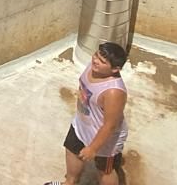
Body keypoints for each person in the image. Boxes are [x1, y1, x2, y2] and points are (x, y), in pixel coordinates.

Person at [52, 41, 129, 185]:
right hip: (81, 124)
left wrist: (93, 148)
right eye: (96, 55)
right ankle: (69, 182)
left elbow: (110, 126)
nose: (95, 60)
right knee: (72, 150)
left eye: (102, 61)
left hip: (105, 139)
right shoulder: (93, 67)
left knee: (104, 170)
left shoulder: (114, 92)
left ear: (115, 69)